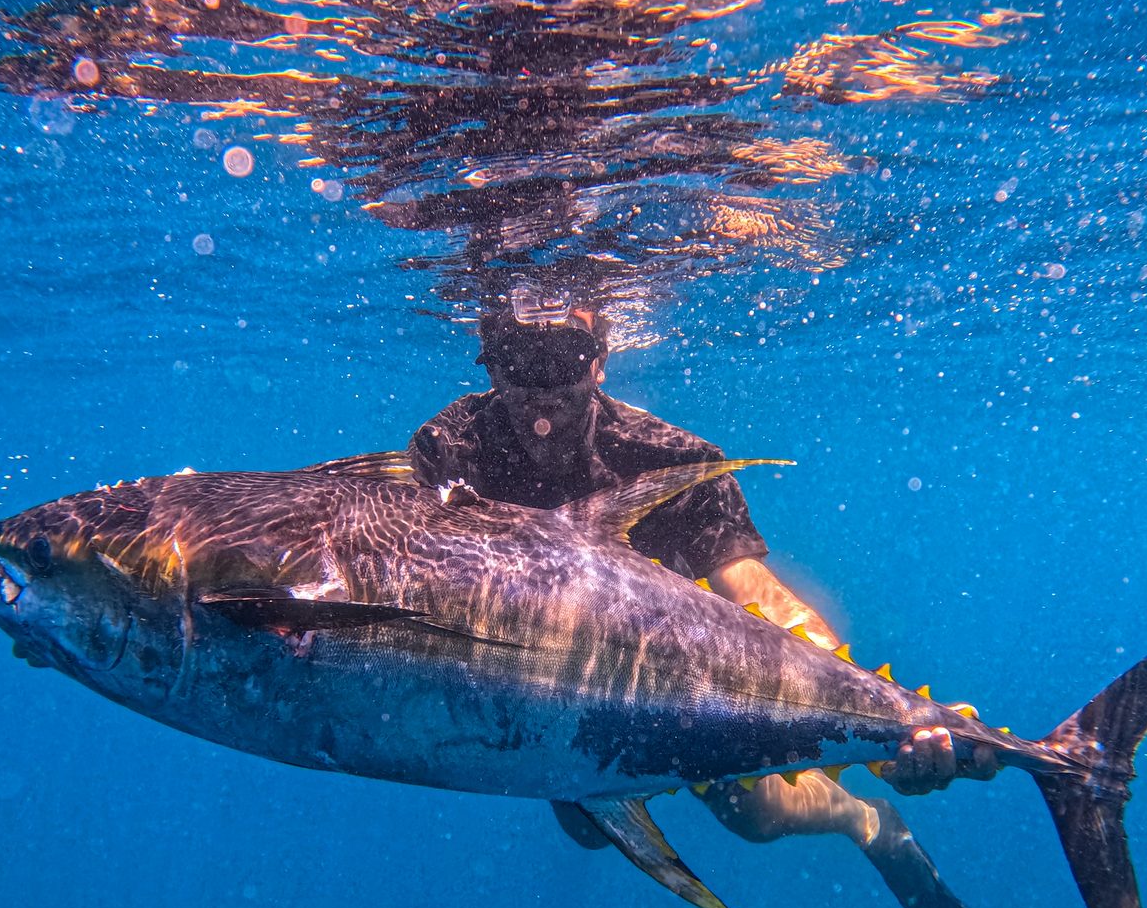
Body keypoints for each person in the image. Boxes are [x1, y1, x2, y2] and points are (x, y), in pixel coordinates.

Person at [407, 300, 992, 854]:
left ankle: (862, 817)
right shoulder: (448, 450)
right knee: (586, 829)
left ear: (599, 363)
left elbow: (757, 591)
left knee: (753, 814)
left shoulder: (672, 460)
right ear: (490, 366)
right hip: (555, 668)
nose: (542, 392)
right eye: (518, 359)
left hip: (690, 663)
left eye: (562, 359)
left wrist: (892, 728)